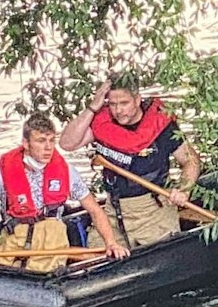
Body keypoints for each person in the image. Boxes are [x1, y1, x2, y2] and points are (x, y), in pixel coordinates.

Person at [0, 111, 126, 269]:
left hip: (52, 248)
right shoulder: (2, 170)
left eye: (51, 140)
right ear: (26, 143)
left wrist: (110, 243)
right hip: (14, 245)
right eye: (41, 141)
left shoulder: (66, 171)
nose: (48, 147)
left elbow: (94, 210)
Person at [82, 72, 202, 248]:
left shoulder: (160, 124)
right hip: (112, 210)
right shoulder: (105, 124)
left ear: (137, 100)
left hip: (153, 210)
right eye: (113, 104)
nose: (118, 110)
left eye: (124, 103)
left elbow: (191, 160)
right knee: (95, 257)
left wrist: (184, 190)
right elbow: (67, 143)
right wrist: (93, 106)